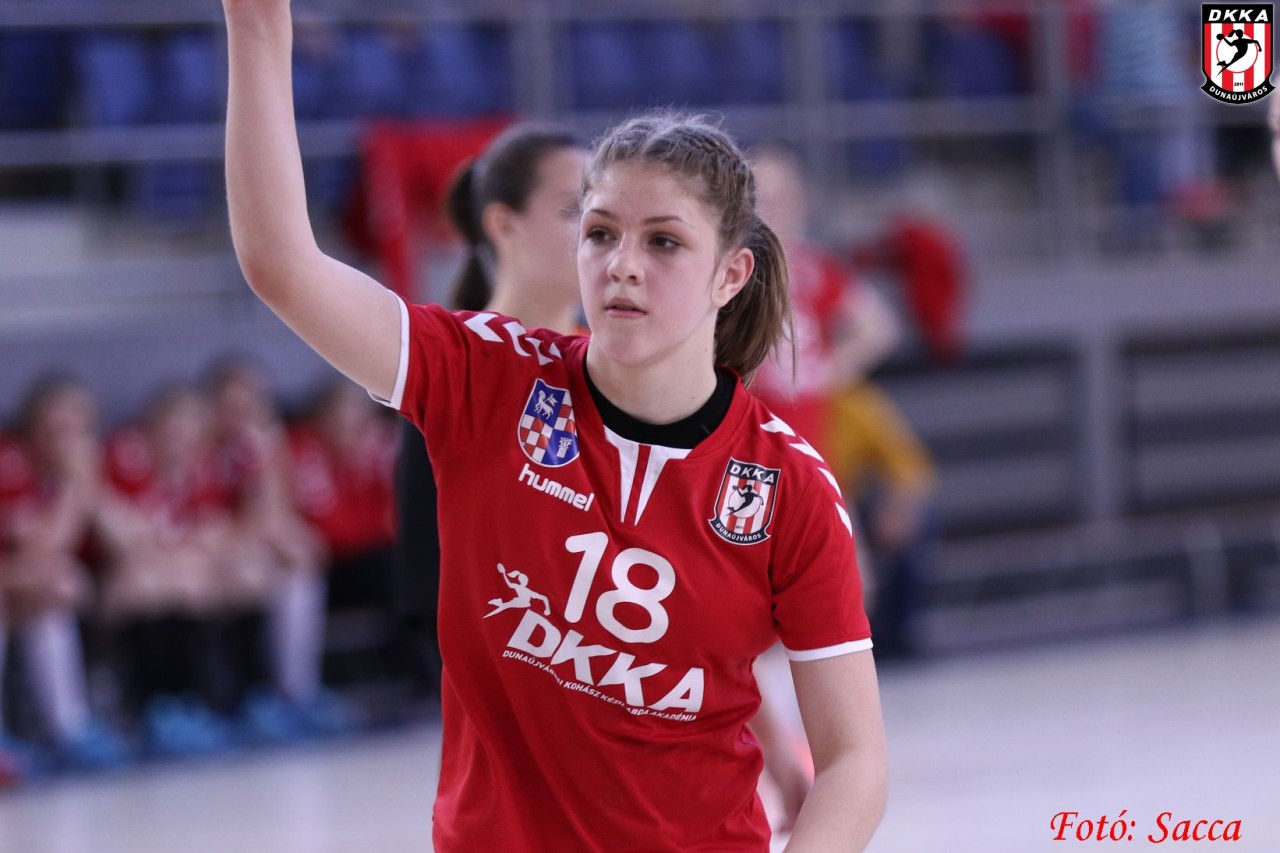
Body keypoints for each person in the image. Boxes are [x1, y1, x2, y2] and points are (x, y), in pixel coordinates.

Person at [223, 2, 888, 849]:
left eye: (664, 242)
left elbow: (854, 758)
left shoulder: (788, 487)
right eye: (600, 232)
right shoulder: (487, 378)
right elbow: (282, 265)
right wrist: (258, 26)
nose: (622, 265)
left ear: (731, 274)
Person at [392, 122, 588, 698]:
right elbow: (429, 570)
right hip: (515, 683)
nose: (596, 230)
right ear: (503, 224)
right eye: (573, 209)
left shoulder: (618, 360)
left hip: (627, 668)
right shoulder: (456, 361)